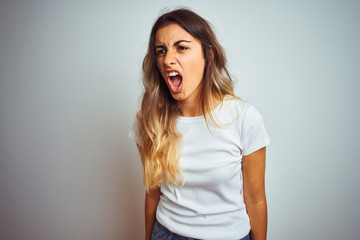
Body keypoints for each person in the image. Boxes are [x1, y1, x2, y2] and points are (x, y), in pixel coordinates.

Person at [131, 8, 270, 240]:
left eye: (182, 47)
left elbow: (255, 199)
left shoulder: (244, 118)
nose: (168, 59)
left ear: (209, 56)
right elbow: (152, 195)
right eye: (161, 51)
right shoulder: (149, 122)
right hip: (166, 234)